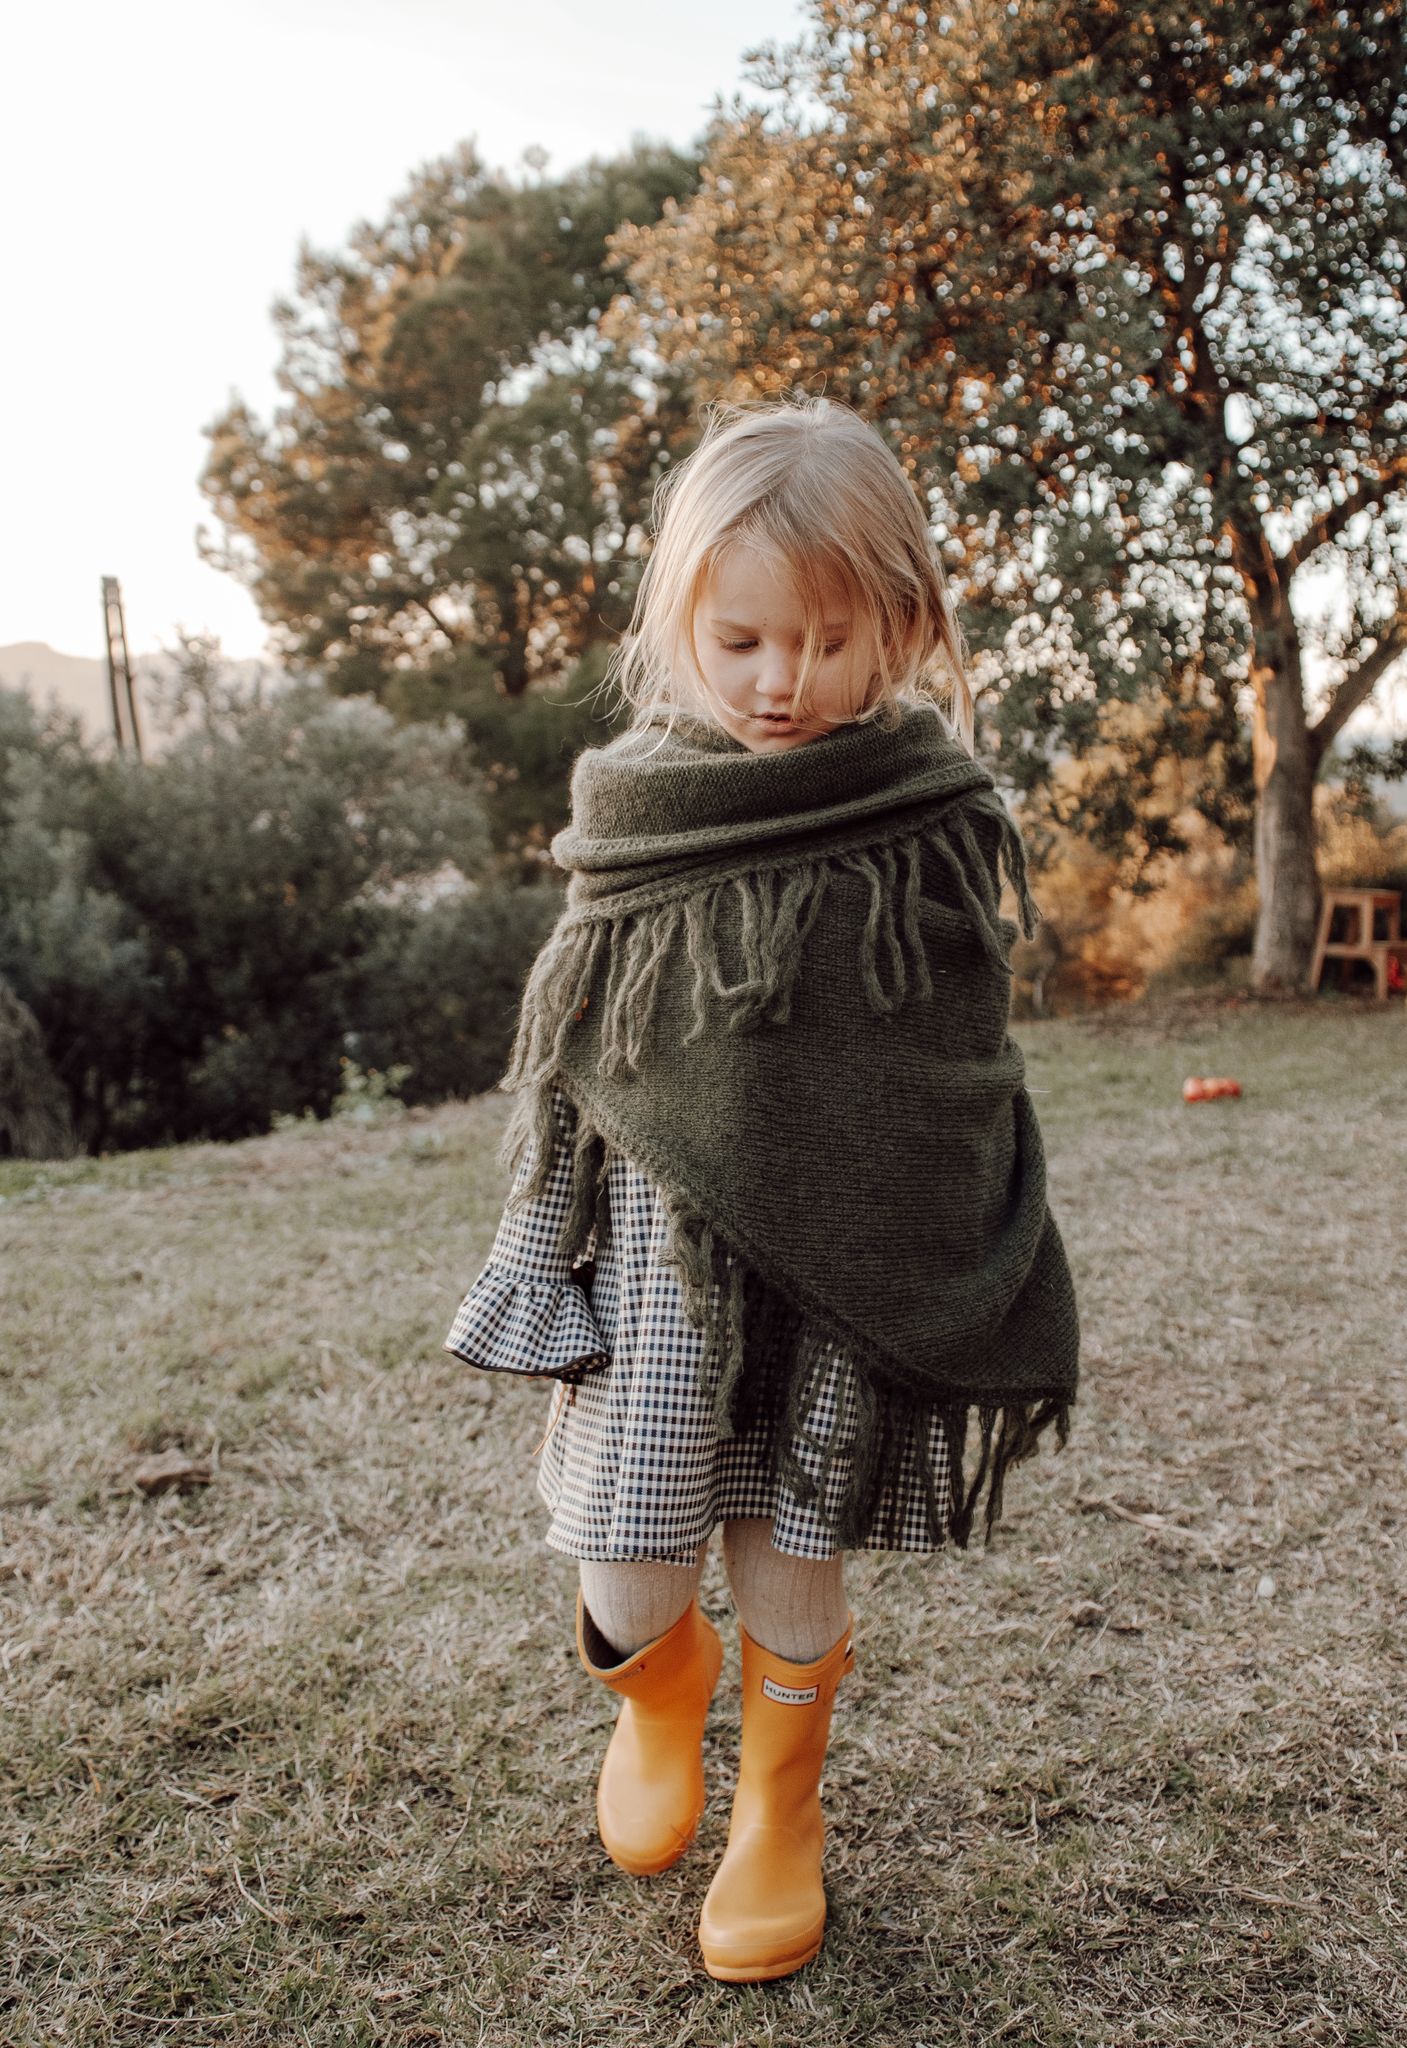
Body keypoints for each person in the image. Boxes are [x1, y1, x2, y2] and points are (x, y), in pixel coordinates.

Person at [444, 392, 1080, 1983]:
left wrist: (967, 1226)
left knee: (794, 1562)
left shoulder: (927, 815)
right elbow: (573, 1053)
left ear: (908, 626)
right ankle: (661, 1704)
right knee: (627, 1560)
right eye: (739, 643)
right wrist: (552, 1239)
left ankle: (779, 1809)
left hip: (839, 1269)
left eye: (828, 641)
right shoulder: (638, 809)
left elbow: (953, 1055)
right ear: (681, 625)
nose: (783, 683)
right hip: (663, 1262)